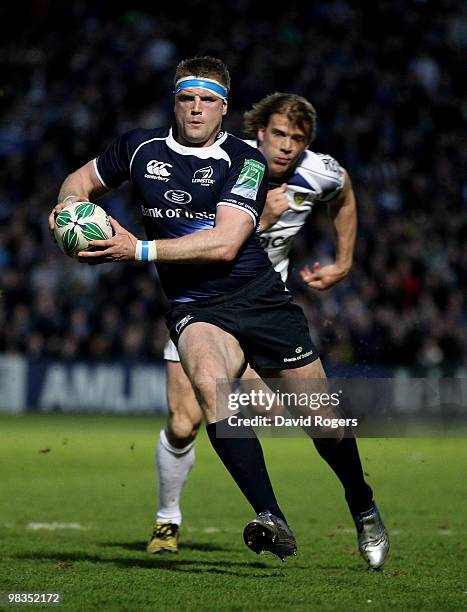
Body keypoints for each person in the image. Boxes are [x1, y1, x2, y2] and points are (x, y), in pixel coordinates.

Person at [49, 57, 386, 565]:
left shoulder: (243, 160)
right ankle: (270, 516)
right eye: (187, 98)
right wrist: (67, 212)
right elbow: (78, 181)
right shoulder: (138, 147)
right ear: (176, 100)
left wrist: (136, 250)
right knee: (212, 392)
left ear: (224, 108)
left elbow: (226, 243)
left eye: (208, 100)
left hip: (257, 297)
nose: (196, 109)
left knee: (325, 423)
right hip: (194, 305)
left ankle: (362, 504)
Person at [148, 91, 389, 569]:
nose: (285, 146)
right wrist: (258, 220)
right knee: (185, 418)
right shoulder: (226, 159)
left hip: (265, 304)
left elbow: (344, 193)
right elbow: (198, 234)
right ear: (258, 130)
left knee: (316, 418)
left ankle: (362, 505)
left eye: (296, 139)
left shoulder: (319, 171)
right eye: (278, 134)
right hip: (204, 302)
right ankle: (168, 518)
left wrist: (343, 261)